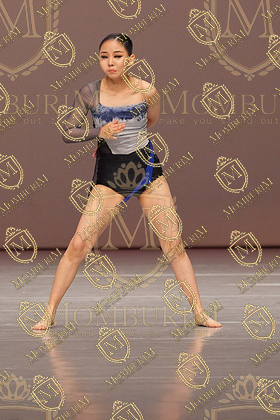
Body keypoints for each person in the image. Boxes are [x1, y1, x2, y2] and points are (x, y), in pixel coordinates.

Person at [33, 33, 222, 330]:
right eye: (104, 56)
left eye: (118, 56)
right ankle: (49, 312)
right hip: (110, 174)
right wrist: (99, 133)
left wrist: (126, 139)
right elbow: (67, 131)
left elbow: (150, 121)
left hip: (146, 170)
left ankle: (199, 312)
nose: (110, 62)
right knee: (79, 244)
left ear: (131, 60)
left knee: (173, 243)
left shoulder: (147, 90)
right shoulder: (89, 92)